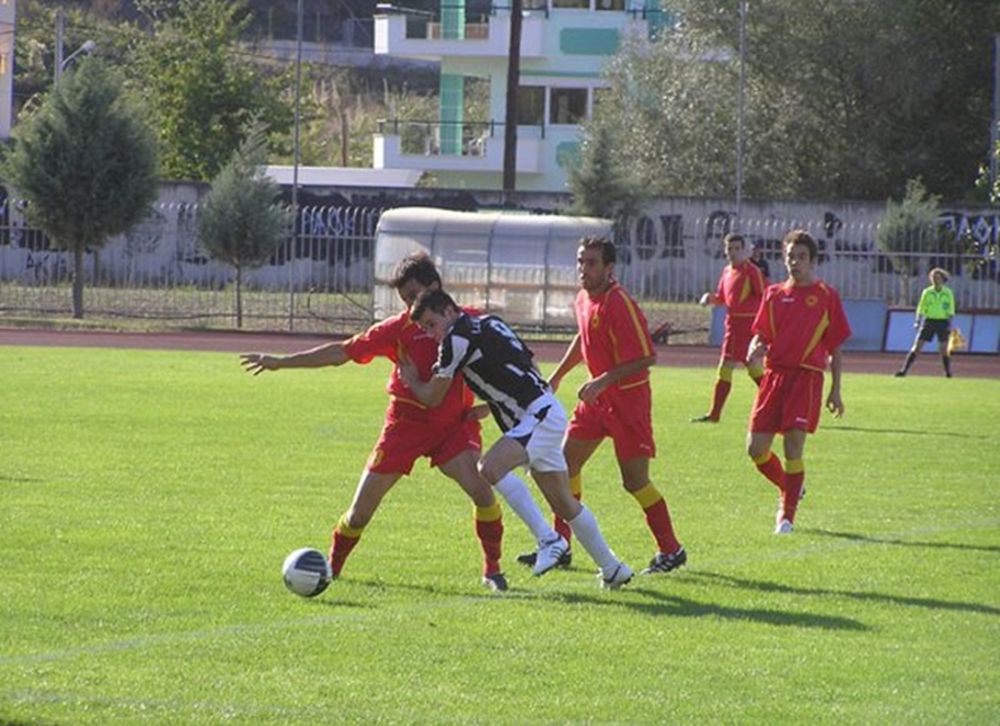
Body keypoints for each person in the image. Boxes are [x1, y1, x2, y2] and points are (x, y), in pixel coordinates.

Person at [239, 253, 558, 593]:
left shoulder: (471, 322)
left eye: (413, 296)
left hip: (452, 426)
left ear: (434, 288)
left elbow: (510, 362)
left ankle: (492, 570)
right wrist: (280, 363)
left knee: (482, 493)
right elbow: (341, 352)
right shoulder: (397, 329)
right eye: (404, 300)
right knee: (360, 512)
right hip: (404, 426)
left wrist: (488, 405)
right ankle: (331, 568)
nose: (409, 307)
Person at [403, 288, 634, 589]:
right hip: (544, 410)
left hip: (536, 416)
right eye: (425, 329)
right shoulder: (491, 322)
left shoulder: (454, 339)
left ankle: (549, 539)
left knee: (489, 468)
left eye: (432, 324)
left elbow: (434, 397)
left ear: (449, 311)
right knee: (564, 503)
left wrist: (411, 381)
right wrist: (494, 404)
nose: (432, 334)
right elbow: (524, 367)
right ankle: (613, 568)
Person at [514, 237, 686, 576]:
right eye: (580, 261)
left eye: (591, 263)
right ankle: (559, 543)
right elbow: (583, 338)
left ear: (609, 268)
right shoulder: (583, 299)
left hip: (629, 403)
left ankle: (671, 549)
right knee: (562, 466)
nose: (583, 269)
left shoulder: (619, 303)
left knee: (635, 482)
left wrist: (602, 380)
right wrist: (558, 376)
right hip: (596, 403)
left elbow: (647, 356)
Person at [745, 230, 851, 535]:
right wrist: (756, 345)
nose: (795, 262)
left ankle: (786, 516)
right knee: (756, 449)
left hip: (806, 378)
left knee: (793, 446)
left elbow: (836, 347)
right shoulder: (774, 294)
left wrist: (836, 389)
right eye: (790, 255)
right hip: (774, 377)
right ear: (784, 258)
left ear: (813, 260)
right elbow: (762, 332)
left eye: (801, 256)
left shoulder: (826, 296)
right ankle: (791, 486)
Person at [692, 232, 768, 423]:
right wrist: (710, 298)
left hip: (746, 327)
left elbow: (763, 297)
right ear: (725, 251)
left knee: (734, 367)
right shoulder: (726, 272)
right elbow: (722, 298)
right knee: (745, 368)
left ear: (744, 250)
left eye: (737, 249)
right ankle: (778, 403)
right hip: (732, 326)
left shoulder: (752, 271)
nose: (733, 252)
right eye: (729, 249)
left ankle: (715, 414)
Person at [894, 268, 956, 378]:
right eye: (933, 278)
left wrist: (950, 324)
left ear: (942, 279)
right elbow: (921, 308)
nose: (935, 280)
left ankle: (947, 372)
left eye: (937, 278)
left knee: (943, 349)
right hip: (929, 321)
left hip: (942, 322)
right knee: (917, 346)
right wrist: (917, 321)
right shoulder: (927, 292)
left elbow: (950, 310)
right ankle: (904, 370)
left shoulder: (947, 293)